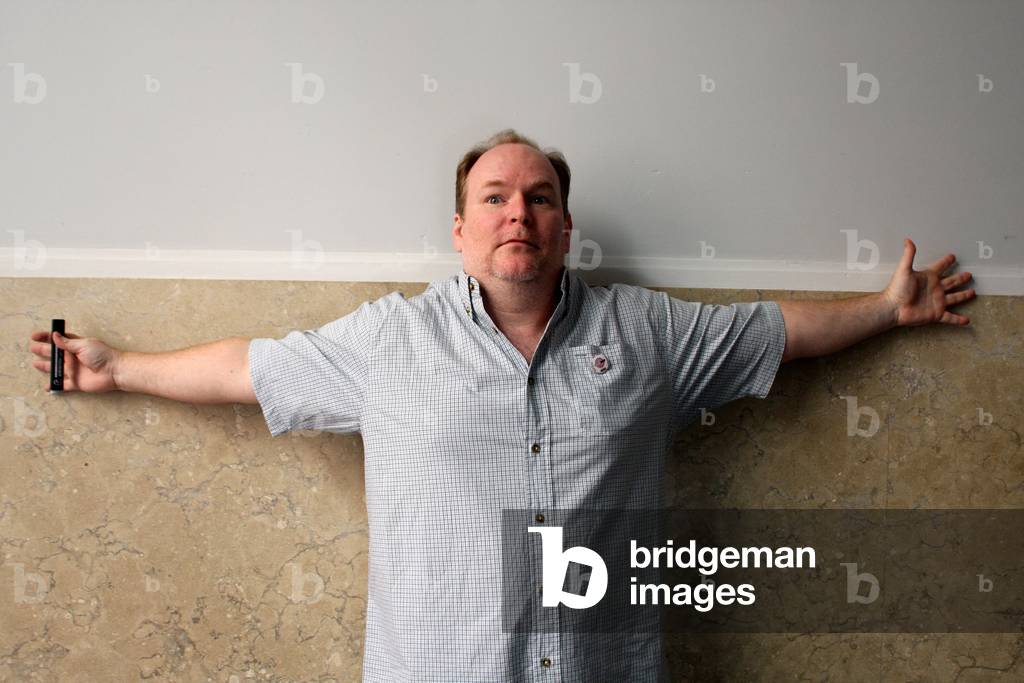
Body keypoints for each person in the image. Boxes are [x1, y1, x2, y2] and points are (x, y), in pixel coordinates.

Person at [27, 129, 976, 682]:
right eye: (494, 197)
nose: (516, 212)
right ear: (460, 227)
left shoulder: (648, 336)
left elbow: (776, 334)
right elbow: (252, 369)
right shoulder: (390, 343)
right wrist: (122, 367)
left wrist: (886, 312)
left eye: (539, 196)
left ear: (566, 225)